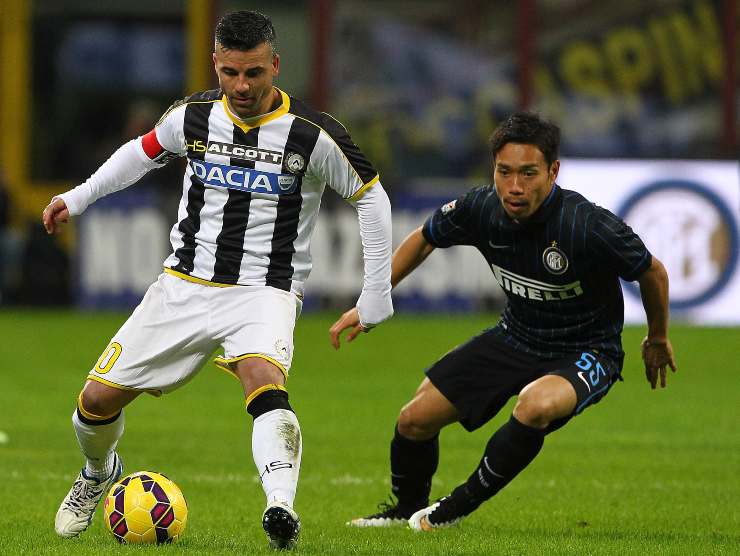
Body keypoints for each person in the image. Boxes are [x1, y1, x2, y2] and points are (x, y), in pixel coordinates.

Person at [43, 11, 393, 549]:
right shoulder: (193, 116)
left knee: (263, 378)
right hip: (182, 285)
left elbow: (371, 198)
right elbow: (142, 154)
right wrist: (79, 196)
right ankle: (98, 472)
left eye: (254, 72)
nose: (242, 86)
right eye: (230, 72)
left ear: (275, 64)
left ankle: (280, 508)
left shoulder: (313, 134)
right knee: (93, 403)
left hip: (264, 289)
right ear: (215, 63)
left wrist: (375, 293)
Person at [330, 112, 676, 531]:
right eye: (504, 172)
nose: (514, 186)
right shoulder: (480, 208)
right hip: (516, 336)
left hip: (587, 350)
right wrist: (373, 299)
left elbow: (652, 271)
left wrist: (657, 337)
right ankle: (404, 508)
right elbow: (424, 238)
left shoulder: (587, 225)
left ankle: (452, 509)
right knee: (414, 420)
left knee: (535, 406)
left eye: (528, 173)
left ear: (553, 171)